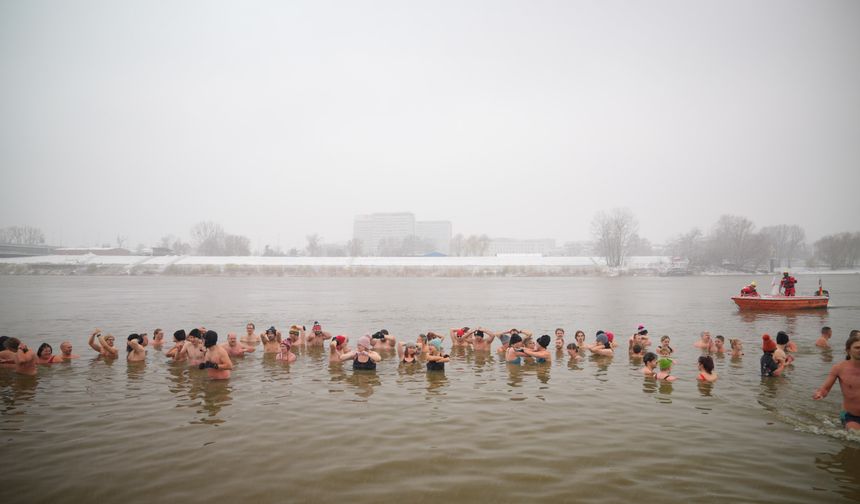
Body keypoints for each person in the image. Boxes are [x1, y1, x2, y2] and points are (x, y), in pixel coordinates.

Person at [813, 331, 860, 430]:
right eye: (857, 348)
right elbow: (825, 389)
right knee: (855, 438)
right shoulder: (839, 368)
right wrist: (820, 393)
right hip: (851, 416)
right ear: (848, 350)